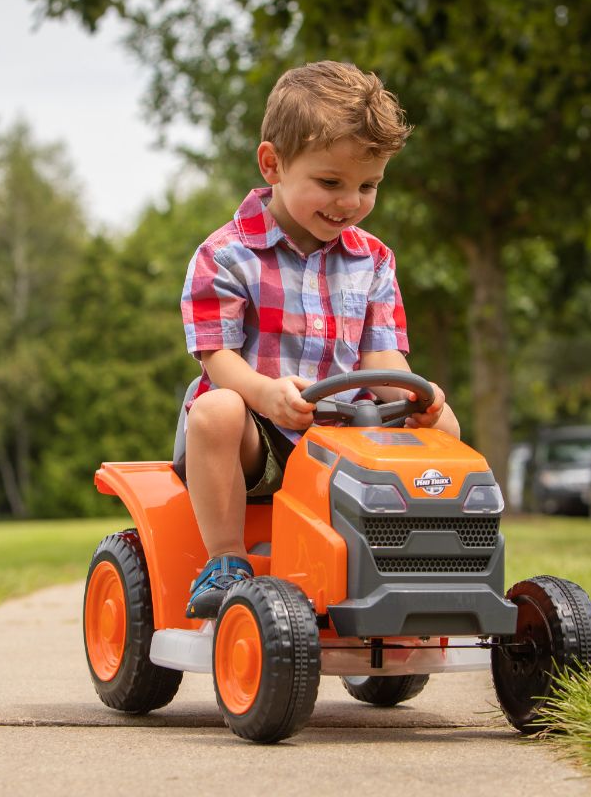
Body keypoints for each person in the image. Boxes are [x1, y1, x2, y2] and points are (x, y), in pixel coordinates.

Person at [179, 60, 461, 620]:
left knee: (447, 427)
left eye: (368, 185)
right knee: (215, 410)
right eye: (330, 182)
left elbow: (381, 354)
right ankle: (227, 559)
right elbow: (218, 357)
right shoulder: (226, 255)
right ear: (273, 163)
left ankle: (431, 563)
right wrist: (266, 395)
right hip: (261, 439)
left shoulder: (373, 260)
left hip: (348, 437)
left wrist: (410, 395)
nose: (349, 201)